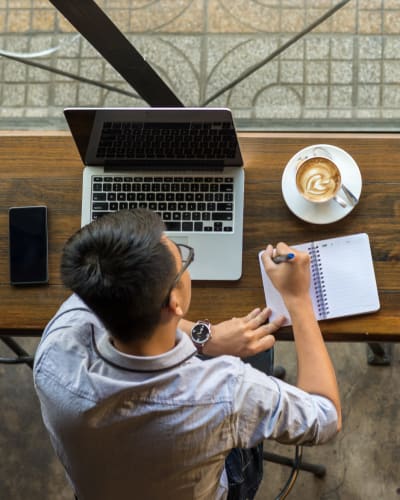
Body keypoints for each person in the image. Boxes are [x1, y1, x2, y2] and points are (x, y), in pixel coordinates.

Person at [33, 209, 341, 500]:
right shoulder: (226, 390)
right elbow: (326, 418)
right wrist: (297, 298)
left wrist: (204, 337)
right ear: (175, 304)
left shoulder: (55, 348)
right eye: (182, 259)